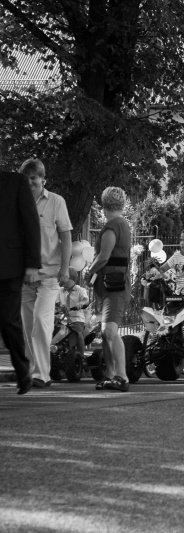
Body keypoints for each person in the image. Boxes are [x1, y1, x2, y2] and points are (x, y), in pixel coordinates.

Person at [20, 158, 72, 388]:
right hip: (23, 275)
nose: (29, 183)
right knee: (27, 325)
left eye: (33, 179)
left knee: (41, 321)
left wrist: (65, 268)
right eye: (26, 179)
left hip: (49, 274)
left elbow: (66, 236)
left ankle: (42, 373)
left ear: (43, 180)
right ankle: (33, 371)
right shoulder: (16, 202)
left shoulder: (56, 202)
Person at [0, 149, 41, 394]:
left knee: (6, 318)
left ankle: (23, 369)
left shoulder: (15, 182)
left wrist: (32, 264)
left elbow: (31, 223)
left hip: (10, 266)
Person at [86, 187, 130, 391]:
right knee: (105, 333)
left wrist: (88, 271)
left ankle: (121, 376)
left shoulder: (113, 225)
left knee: (109, 330)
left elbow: (104, 257)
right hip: (111, 284)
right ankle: (111, 375)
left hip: (113, 286)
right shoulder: (123, 224)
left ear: (104, 204)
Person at [57, 268, 90, 357]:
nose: (63, 282)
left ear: (73, 279)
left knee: (78, 333)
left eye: (65, 279)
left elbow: (86, 300)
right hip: (62, 319)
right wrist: (60, 307)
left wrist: (81, 303)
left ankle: (81, 355)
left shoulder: (80, 290)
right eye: (61, 279)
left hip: (76, 319)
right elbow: (54, 303)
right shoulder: (60, 290)